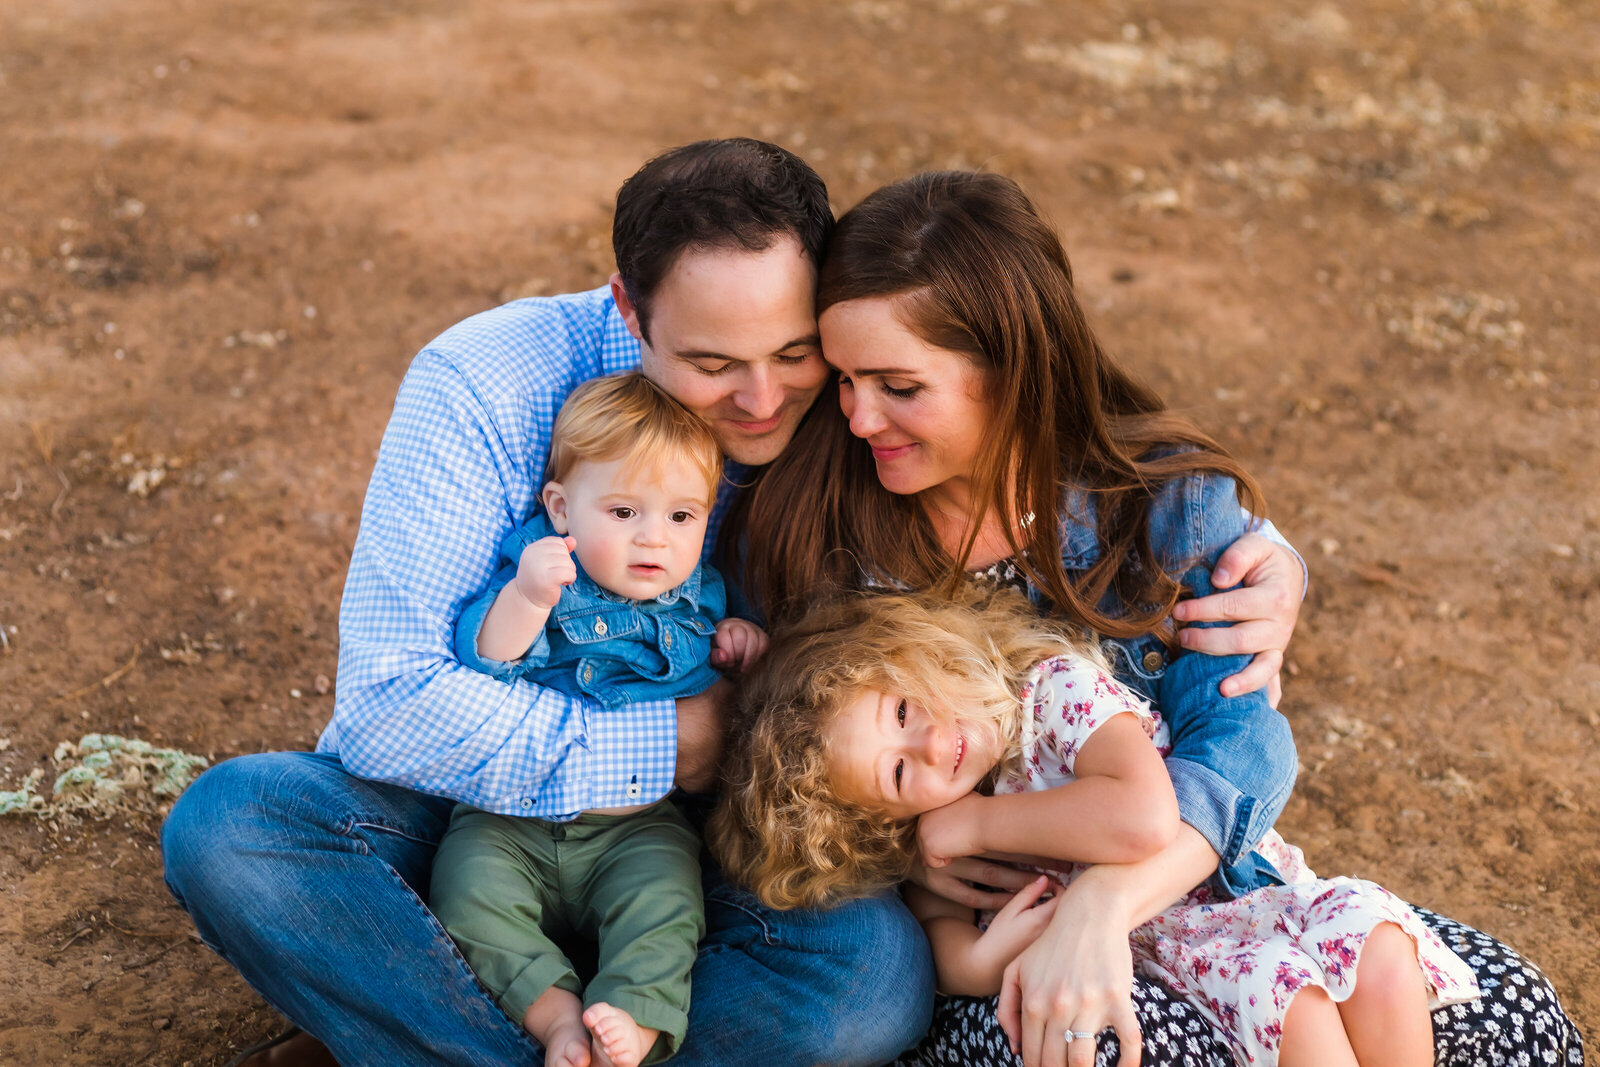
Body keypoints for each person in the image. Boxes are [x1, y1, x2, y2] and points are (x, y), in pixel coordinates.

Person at [159, 140, 1308, 1067]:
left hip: (726, 838)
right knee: (241, 828)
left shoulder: (854, 417)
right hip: (484, 810)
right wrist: (662, 742)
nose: (766, 401)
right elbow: (387, 712)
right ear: (628, 309)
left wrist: (1258, 555)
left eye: (799, 352)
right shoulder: (486, 382)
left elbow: (1035, 477)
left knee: (865, 988)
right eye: (711, 363)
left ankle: (490, 1018)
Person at [730, 169, 1584, 1067]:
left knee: (1505, 1015)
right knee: (1111, 1046)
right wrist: (902, 853)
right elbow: (792, 765)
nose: (860, 417)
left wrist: (1104, 902)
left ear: (1014, 372)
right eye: (847, 380)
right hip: (1006, 934)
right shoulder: (817, 527)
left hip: (1202, 887)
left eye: (899, 386)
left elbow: (1243, 744)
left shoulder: (1166, 507)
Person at [711, 587, 1482, 1067]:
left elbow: (1145, 818)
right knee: (1301, 1014)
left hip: (1233, 884)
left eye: (904, 710)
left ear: (910, 655)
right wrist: (991, 951)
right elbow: (951, 955)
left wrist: (977, 819)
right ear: (881, 818)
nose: (928, 745)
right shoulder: (932, 840)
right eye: (900, 774)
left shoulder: (1051, 695)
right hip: (1188, 948)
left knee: (1380, 954)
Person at [430, 372, 767, 1067]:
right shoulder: (544, 576)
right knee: (465, 892)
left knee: (669, 905)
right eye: (623, 512)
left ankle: (632, 1022)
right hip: (508, 818)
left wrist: (740, 647)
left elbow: (718, 684)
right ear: (561, 507)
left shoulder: (699, 594)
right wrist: (527, 595)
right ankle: (555, 1018)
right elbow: (487, 657)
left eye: (682, 516)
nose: (656, 539)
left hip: (635, 825)